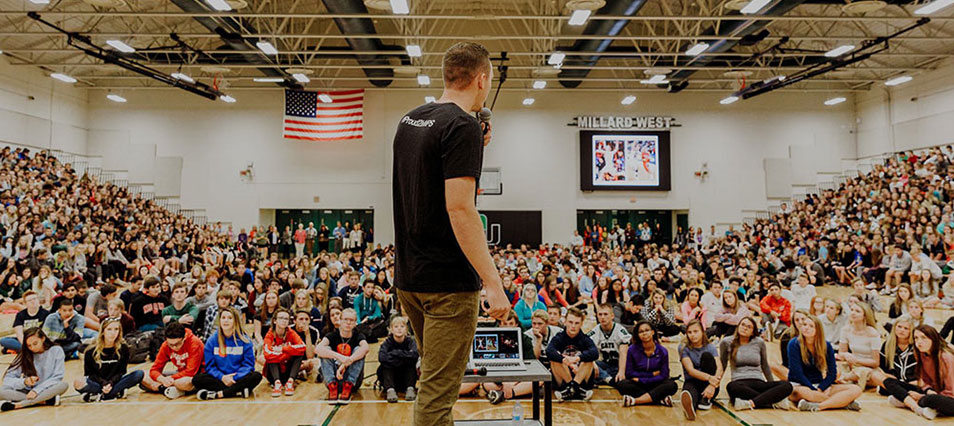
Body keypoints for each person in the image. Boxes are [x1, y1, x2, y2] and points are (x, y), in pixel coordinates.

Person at [391, 41, 509, 426]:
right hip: (448, 284)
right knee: (438, 398)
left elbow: (428, 186)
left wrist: (475, 146)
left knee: (435, 386)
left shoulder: (410, 120)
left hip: (410, 278)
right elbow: (459, 208)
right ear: (481, 79)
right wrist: (492, 282)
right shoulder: (462, 127)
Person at [788, 313, 863, 411]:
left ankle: (819, 406)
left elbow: (832, 373)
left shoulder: (826, 345)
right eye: (804, 325)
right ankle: (842, 403)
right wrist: (813, 390)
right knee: (805, 393)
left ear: (817, 330)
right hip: (800, 385)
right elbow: (797, 373)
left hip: (819, 384)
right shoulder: (794, 344)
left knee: (856, 389)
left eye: (811, 326)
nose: (806, 328)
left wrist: (821, 388)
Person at [720, 316, 793, 410]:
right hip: (739, 382)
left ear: (753, 331)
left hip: (758, 381)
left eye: (749, 327)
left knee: (787, 386)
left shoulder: (759, 342)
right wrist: (714, 384)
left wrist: (771, 385)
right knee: (731, 387)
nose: (744, 328)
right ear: (738, 326)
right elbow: (722, 364)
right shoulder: (726, 342)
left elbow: (765, 365)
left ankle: (750, 403)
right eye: (743, 325)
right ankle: (772, 402)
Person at [883, 324, 954, 419]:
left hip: (948, 398)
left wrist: (920, 396)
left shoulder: (946, 357)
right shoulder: (922, 354)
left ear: (933, 339)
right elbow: (925, 382)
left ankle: (908, 401)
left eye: (923, 338)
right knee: (888, 382)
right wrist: (928, 391)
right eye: (916, 338)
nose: (919, 342)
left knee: (933, 399)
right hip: (933, 392)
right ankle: (918, 407)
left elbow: (950, 392)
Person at [193, 307, 262, 400]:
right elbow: (210, 367)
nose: (226, 321)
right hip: (220, 378)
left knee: (256, 376)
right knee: (197, 379)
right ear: (219, 320)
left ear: (235, 321)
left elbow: (249, 365)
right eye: (223, 318)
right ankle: (238, 390)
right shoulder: (212, 341)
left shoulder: (245, 341)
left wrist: (235, 377)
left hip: (238, 377)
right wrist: (222, 377)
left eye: (230, 318)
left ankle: (219, 394)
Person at [74, 318, 144, 402]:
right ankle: (114, 392)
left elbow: (121, 372)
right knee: (78, 383)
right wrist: (104, 383)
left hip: (115, 382)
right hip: (98, 383)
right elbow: (90, 374)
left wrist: (110, 383)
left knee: (139, 374)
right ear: (103, 331)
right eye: (109, 329)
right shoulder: (90, 351)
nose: (113, 333)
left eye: (116, 329)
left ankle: (100, 394)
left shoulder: (123, 348)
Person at [0, 328, 67, 411]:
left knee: (63, 385)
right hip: (27, 392)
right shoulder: (25, 354)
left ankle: (19, 404)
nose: (32, 348)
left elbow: (57, 377)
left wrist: (36, 391)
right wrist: (24, 382)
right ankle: (44, 401)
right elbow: (7, 379)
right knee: (1, 390)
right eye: (29, 345)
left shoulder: (56, 350)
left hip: (46, 389)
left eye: (35, 343)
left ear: (43, 338)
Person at [617, 321, 678, 407]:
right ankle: (659, 399)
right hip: (639, 384)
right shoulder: (632, 350)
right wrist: (651, 375)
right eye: (641, 332)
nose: (644, 333)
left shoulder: (662, 351)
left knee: (672, 385)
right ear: (637, 335)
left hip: (655, 382)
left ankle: (635, 401)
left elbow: (664, 375)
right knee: (622, 385)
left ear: (653, 332)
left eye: (647, 330)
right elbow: (629, 373)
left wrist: (642, 379)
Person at [316, 308, 369, 404]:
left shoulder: (358, 336)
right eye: (345, 319)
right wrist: (340, 357)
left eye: (351, 320)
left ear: (355, 323)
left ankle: (347, 386)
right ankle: (332, 386)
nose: (348, 323)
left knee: (359, 350)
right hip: (334, 378)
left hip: (352, 382)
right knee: (325, 350)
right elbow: (318, 349)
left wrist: (347, 362)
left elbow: (365, 348)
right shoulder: (332, 335)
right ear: (340, 321)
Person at [547, 307, 598, 401]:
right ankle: (573, 388)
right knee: (555, 360)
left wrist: (577, 359)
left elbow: (595, 353)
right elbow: (549, 351)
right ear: (565, 322)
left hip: (581, 377)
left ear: (581, 324)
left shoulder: (585, 339)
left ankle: (573, 388)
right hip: (563, 378)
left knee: (588, 360)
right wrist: (566, 361)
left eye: (577, 323)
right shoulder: (559, 337)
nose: (573, 326)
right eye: (570, 322)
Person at [141, 322, 203, 399]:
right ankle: (166, 389)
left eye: (177, 344)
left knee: (185, 382)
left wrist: (171, 378)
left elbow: (190, 371)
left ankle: (164, 388)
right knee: (144, 376)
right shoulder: (165, 345)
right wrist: (162, 379)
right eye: (171, 345)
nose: (174, 348)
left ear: (184, 338)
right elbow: (154, 369)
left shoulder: (194, 343)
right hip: (179, 374)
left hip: (195, 376)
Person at [678, 319, 723, 420]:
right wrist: (709, 378)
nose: (692, 335)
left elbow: (719, 367)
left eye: (695, 331)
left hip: (709, 384)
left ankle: (706, 399)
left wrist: (712, 385)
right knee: (690, 393)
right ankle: (690, 409)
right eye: (689, 332)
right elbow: (690, 370)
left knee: (707, 356)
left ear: (702, 332)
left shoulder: (710, 347)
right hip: (692, 380)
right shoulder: (683, 348)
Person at [836, 302, 881, 389]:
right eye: (852, 310)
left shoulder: (872, 333)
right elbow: (841, 353)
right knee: (834, 367)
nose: (853, 313)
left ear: (865, 315)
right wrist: (846, 355)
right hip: (852, 365)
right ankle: (849, 379)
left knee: (862, 372)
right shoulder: (845, 329)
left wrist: (857, 360)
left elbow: (875, 362)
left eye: (857, 311)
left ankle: (845, 378)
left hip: (867, 367)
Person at [263, 308, 305, 397]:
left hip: (288, 371)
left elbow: (302, 347)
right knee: (271, 359)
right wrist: (289, 353)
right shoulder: (270, 334)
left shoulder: (291, 332)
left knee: (299, 355)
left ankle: (290, 382)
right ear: (275, 321)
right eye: (281, 318)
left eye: (286, 319)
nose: (284, 321)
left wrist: (283, 349)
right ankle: (277, 383)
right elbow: (267, 354)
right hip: (273, 373)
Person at [586, 303, 630, 385]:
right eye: (600, 314)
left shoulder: (620, 330)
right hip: (604, 364)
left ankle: (603, 378)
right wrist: (592, 363)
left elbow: (623, 354)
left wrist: (621, 371)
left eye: (605, 314)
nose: (603, 317)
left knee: (628, 370)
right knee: (586, 364)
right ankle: (608, 379)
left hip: (619, 365)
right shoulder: (594, 331)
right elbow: (586, 351)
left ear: (612, 316)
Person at [378, 316, 419, 403]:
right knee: (385, 366)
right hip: (391, 376)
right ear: (391, 330)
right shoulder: (387, 343)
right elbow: (382, 358)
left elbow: (415, 355)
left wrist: (396, 353)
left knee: (411, 364)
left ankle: (410, 388)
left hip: (406, 376)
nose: (399, 329)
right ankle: (390, 390)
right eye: (396, 327)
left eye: (402, 326)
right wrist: (403, 358)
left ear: (406, 329)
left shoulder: (411, 341)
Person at [870, 317, 916, 393]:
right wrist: (887, 375)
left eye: (906, 328)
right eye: (899, 327)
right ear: (894, 328)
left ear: (911, 331)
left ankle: (901, 393)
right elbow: (882, 367)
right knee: (876, 375)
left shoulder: (916, 346)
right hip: (894, 381)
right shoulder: (887, 345)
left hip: (912, 383)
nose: (902, 330)